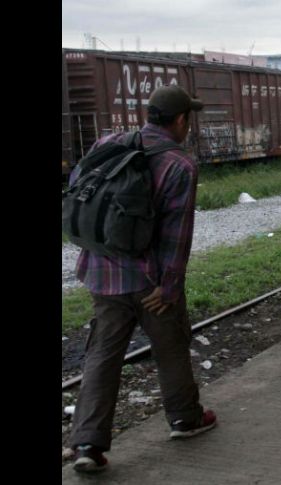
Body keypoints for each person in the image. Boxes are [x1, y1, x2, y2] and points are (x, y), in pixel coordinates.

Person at [68, 85, 216, 473]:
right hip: (150, 282)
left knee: (102, 355)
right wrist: (168, 287)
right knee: (170, 346)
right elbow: (175, 235)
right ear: (181, 120)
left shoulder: (108, 141)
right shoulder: (179, 164)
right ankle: (185, 419)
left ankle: (87, 444)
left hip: (102, 273)